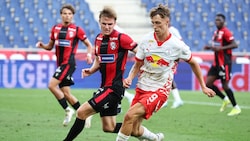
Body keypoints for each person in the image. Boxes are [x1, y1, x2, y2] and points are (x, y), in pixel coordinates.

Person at [116, 4, 215, 141]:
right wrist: (130, 77)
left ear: (166, 22)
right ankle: (156, 138)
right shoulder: (146, 40)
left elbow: (193, 63)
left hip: (160, 90)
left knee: (128, 116)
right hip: (142, 86)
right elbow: (138, 63)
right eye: (153, 23)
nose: (155, 27)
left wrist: (203, 86)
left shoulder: (177, 45)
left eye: (158, 23)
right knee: (135, 130)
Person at [63, 6, 137, 141]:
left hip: (114, 88)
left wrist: (131, 76)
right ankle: (147, 135)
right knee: (109, 127)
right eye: (104, 23)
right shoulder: (98, 39)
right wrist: (91, 70)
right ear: (99, 22)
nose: (107, 27)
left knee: (81, 112)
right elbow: (98, 59)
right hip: (105, 87)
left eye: (110, 24)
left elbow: (141, 54)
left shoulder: (122, 38)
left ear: (115, 23)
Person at [36, 4, 93, 126]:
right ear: (61, 15)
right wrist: (42, 46)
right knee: (66, 93)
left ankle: (68, 110)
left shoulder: (77, 30)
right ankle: (85, 114)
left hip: (68, 63)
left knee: (51, 85)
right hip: (61, 63)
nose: (67, 16)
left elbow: (89, 45)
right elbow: (50, 46)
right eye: (65, 13)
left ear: (72, 16)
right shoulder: (55, 28)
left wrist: (89, 55)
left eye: (70, 14)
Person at [204, 13, 241, 116]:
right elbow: (216, 46)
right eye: (216, 20)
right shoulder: (216, 32)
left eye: (219, 20)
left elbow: (235, 44)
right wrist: (209, 47)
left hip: (224, 63)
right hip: (216, 63)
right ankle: (225, 99)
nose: (217, 22)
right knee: (208, 84)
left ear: (223, 21)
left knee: (225, 86)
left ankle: (236, 107)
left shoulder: (226, 32)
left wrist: (221, 49)